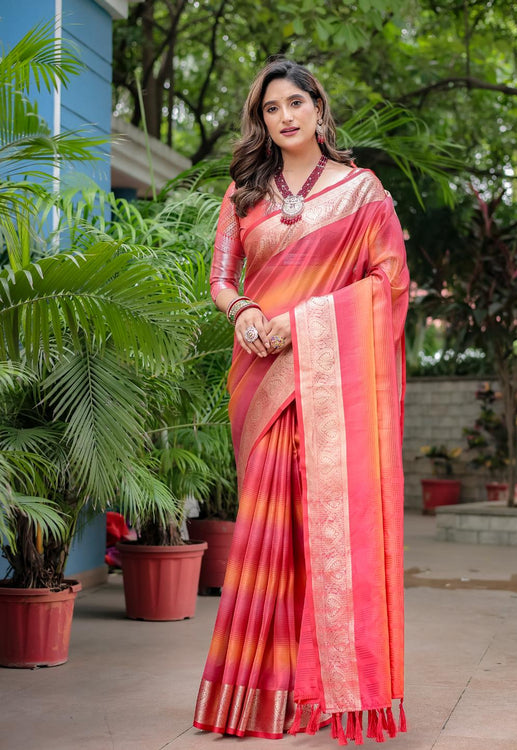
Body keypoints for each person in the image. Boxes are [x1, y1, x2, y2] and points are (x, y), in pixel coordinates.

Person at [193, 58, 409, 746]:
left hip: (325, 382)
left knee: (322, 533)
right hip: (260, 378)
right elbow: (221, 278)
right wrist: (246, 311)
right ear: (260, 121)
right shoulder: (243, 194)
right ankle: (257, 694)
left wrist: (303, 323)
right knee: (266, 533)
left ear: (319, 107)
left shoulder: (361, 191)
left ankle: (326, 687)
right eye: (270, 109)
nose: (284, 117)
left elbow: (389, 284)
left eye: (295, 103)